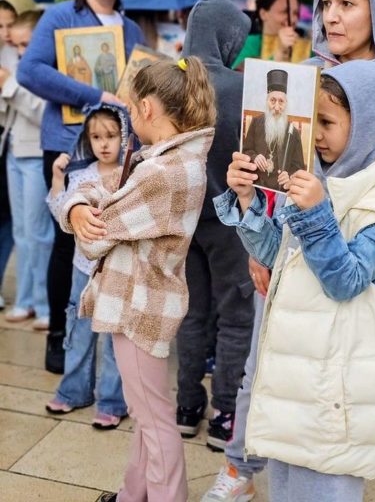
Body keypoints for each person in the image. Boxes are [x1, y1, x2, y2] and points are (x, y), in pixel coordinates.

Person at [202, 0, 375, 502]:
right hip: (288, 248)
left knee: (337, 386)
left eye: (347, 4)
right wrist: (259, 235)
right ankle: (241, 466)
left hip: (362, 259)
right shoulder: (302, 75)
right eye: (325, 3)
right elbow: (276, 164)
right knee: (270, 368)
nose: (332, 16)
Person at [59, 56, 215, 502]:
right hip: (142, 301)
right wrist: (78, 206)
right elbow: (99, 188)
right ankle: (133, 494)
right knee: (146, 411)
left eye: (130, 109)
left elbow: (96, 236)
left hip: (140, 305)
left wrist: (80, 210)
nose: (129, 117)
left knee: (153, 417)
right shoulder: (168, 160)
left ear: (147, 108)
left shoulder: (162, 173)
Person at [17, 0, 145, 374]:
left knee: (110, 239)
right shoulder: (60, 17)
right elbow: (30, 71)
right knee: (67, 239)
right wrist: (95, 95)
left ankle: (104, 342)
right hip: (68, 145)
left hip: (118, 150)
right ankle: (60, 336)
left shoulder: (131, 31)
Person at [175, 0, 256, 452]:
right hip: (230, 220)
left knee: (192, 314)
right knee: (236, 316)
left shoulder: (168, 80)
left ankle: (187, 407)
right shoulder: (240, 88)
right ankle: (225, 412)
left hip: (182, 220)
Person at [45, 105, 128, 428]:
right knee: (79, 330)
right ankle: (74, 390)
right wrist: (57, 180)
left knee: (114, 336)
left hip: (118, 269)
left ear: (124, 136)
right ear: (86, 140)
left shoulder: (132, 175)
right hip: (83, 267)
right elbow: (62, 215)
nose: (103, 144)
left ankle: (112, 401)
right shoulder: (80, 175)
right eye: (96, 137)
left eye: (111, 136)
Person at [0, 10, 53, 329]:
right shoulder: (20, 66)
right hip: (14, 152)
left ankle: (45, 304)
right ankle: (26, 299)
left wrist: (10, 86)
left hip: (35, 154)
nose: (21, 51)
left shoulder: (46, 70)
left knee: (38, 233)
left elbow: (42, 114)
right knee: (21, 232)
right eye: (17, 45)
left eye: (26, 44)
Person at [0, 0, 36, 310]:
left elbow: (34, 106)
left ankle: (34, 300)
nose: (6, 33)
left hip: (23, 148)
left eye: (10, 25)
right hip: (11, 146)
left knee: (24, 228)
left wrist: (8, 85)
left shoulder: (26, 58)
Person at [242, 68, 305, 191]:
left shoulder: (293, 132)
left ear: (286, 104)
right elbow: (246, 151)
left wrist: (289, 176)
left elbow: (298, 167)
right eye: (272, 100)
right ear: (267, 102)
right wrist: (255, 157)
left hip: (280, 189)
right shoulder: (256, 122)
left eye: (281, 101)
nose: (276, 107)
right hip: (256, 183)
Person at [233, 0, 311, 69]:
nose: (292, 19)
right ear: (263, 14)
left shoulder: (306, 48)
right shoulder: (247, 43)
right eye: (285, 12)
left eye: (296, 13)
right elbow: (239, 74)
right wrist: (280, 52)